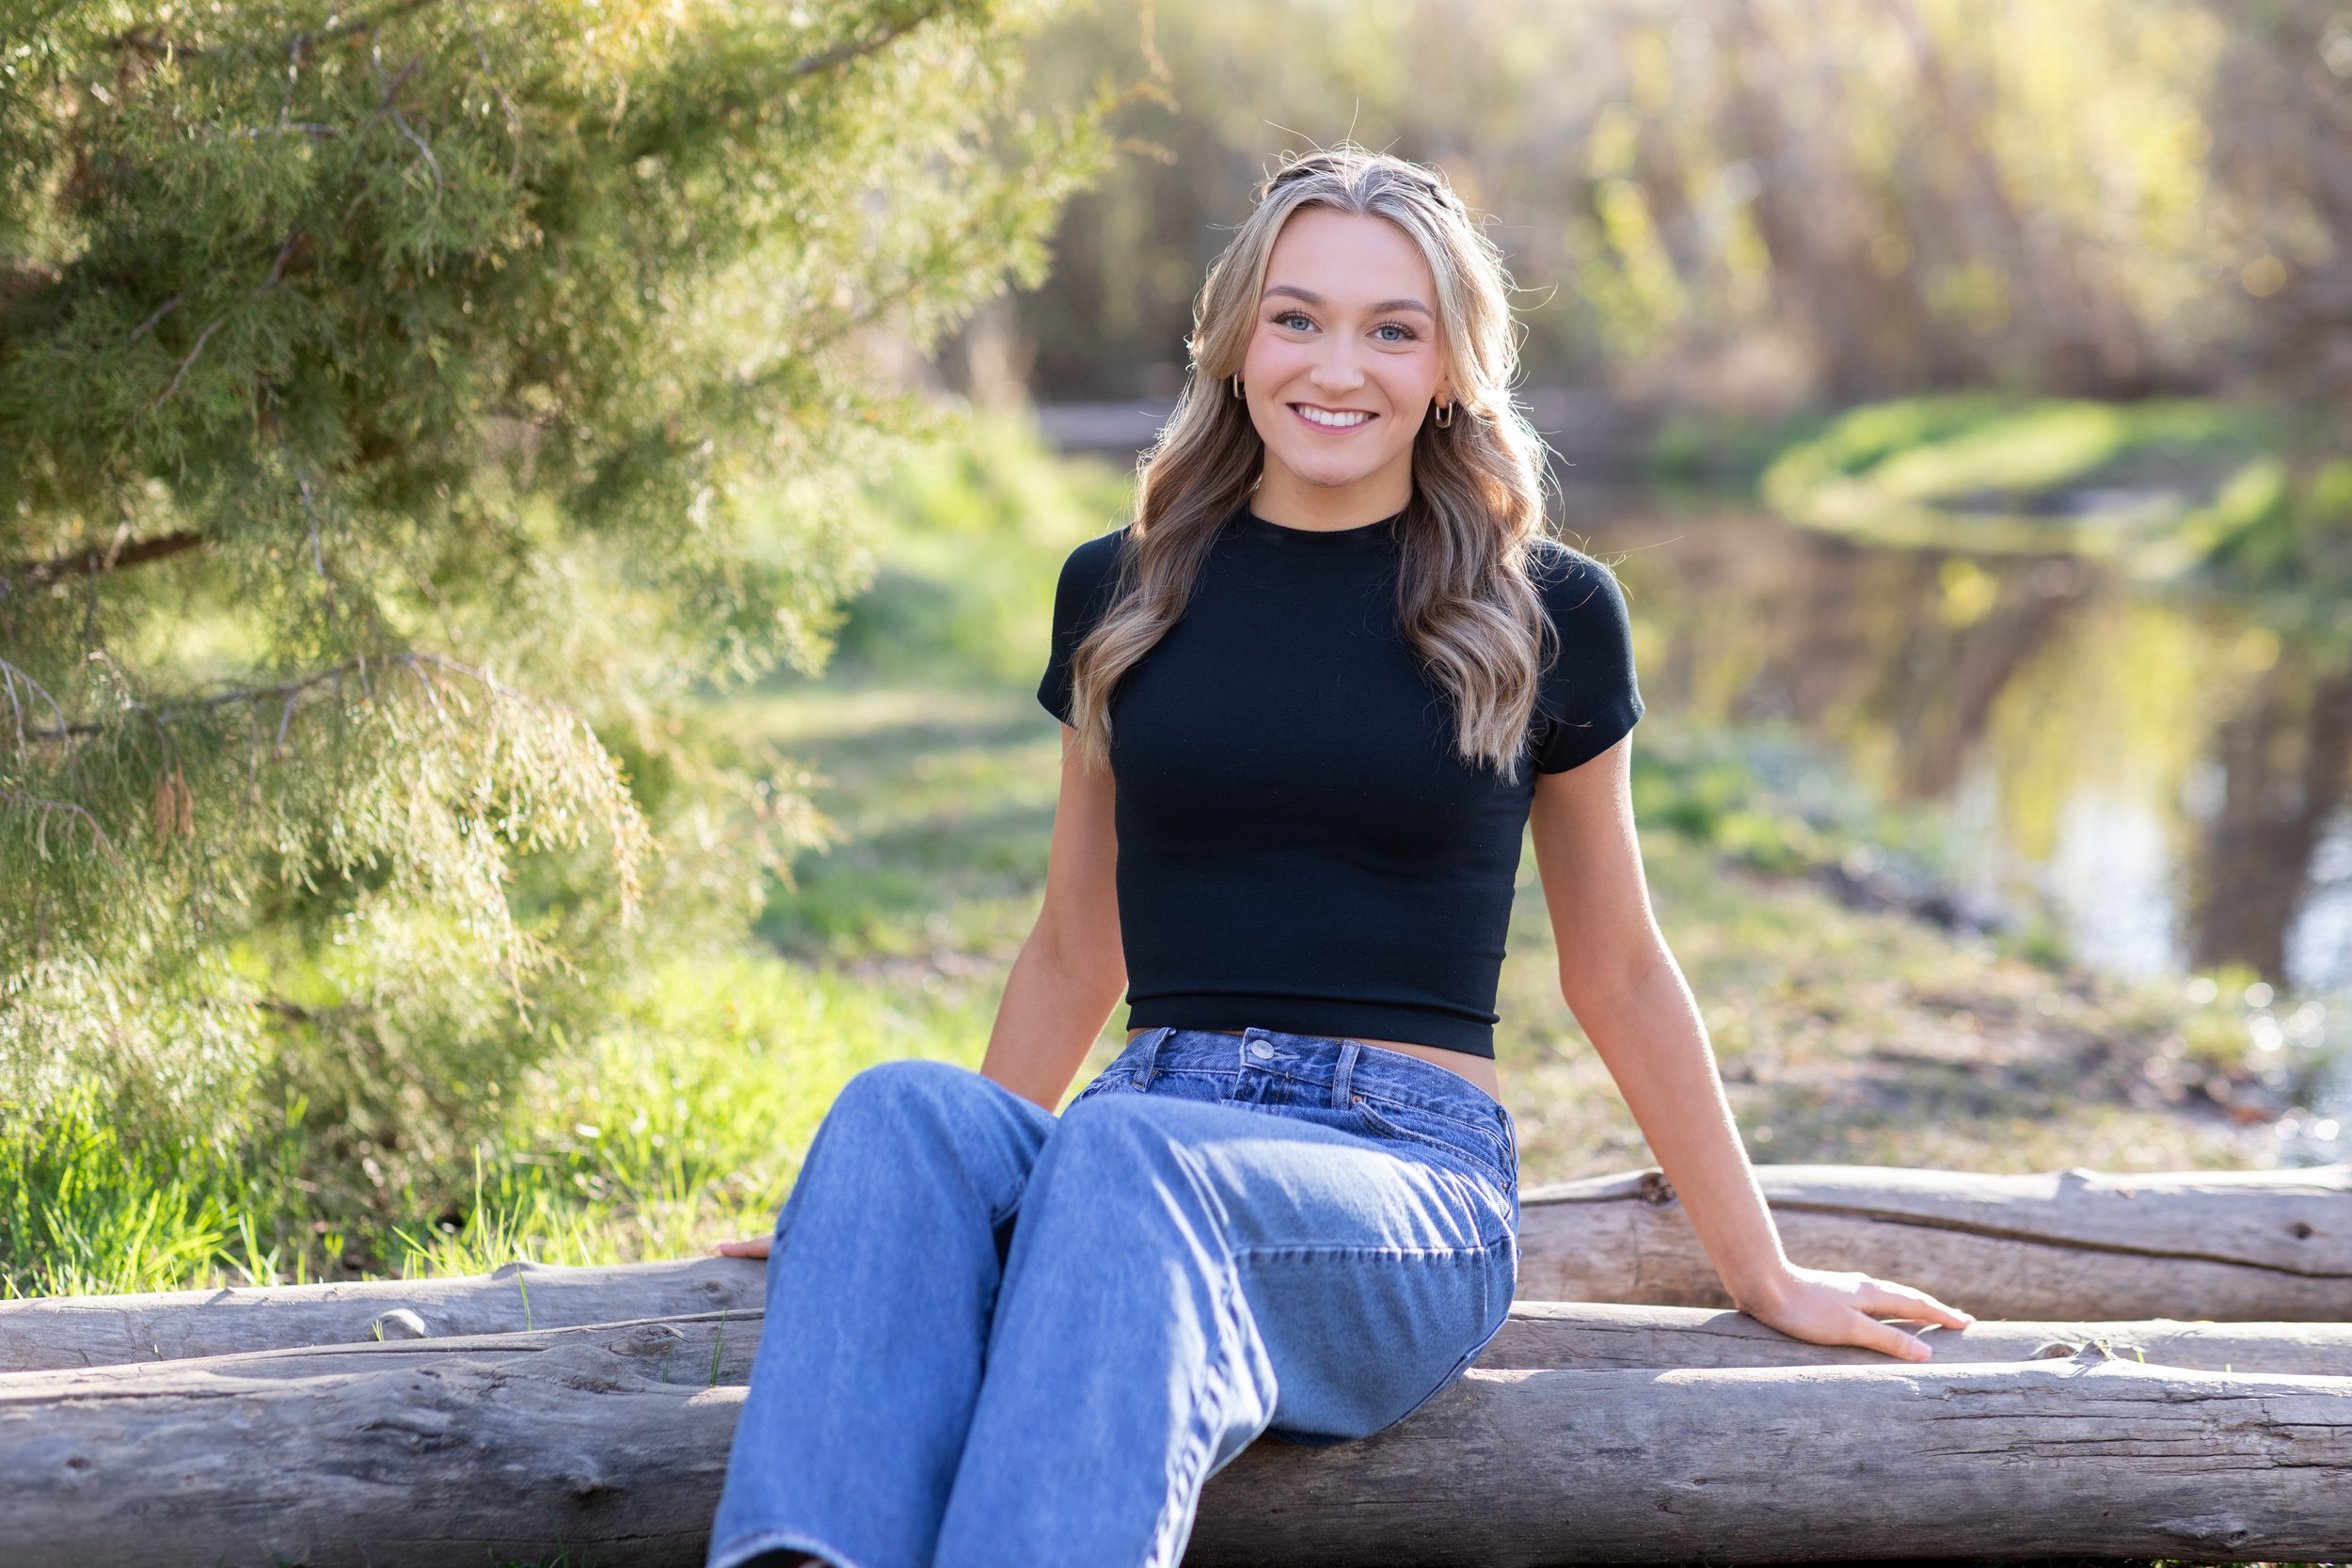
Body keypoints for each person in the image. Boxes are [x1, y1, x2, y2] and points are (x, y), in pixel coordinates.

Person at [700, 143, 1973, 1568]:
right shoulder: (1120, 589)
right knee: (892, 1118)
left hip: (1399, 1189)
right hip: (1146, 1142)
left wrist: (1763, 1269)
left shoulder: (1544, 609)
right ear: (1239, 338)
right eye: (1298, 316)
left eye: (1393, 327)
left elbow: (1618, 969)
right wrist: (918, 1223)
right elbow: (1076, 944)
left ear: (1447, 369)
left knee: (1128, 1155)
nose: (1337, 364)